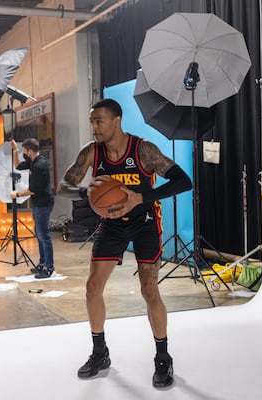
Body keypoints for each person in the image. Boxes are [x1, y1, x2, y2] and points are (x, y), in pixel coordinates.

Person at [57, 99, 192, 388]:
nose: (94, 126)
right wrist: (86, 194)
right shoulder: (92, 152)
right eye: (92, 121)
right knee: (93, 287)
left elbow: (183, 181)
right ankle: (99, 352)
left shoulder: (143, 150)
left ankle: (162, 358)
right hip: (112, 225)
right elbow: (63, 185)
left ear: (116, 120)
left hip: (145, 224)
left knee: (148, 288)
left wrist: (141, 198)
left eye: (99, 120)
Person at [9, 138, 55, 279]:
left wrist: (16, 194)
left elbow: (32, 190)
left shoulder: (39, 166)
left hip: (43, 203)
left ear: (30, 150)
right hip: (38, 203)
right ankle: (42, 263)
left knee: (44, 236)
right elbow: (18, 166)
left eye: (24, 151)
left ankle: (49, 267)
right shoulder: (33, 162)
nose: (24, 154)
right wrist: (15, 150)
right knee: (39, 234)